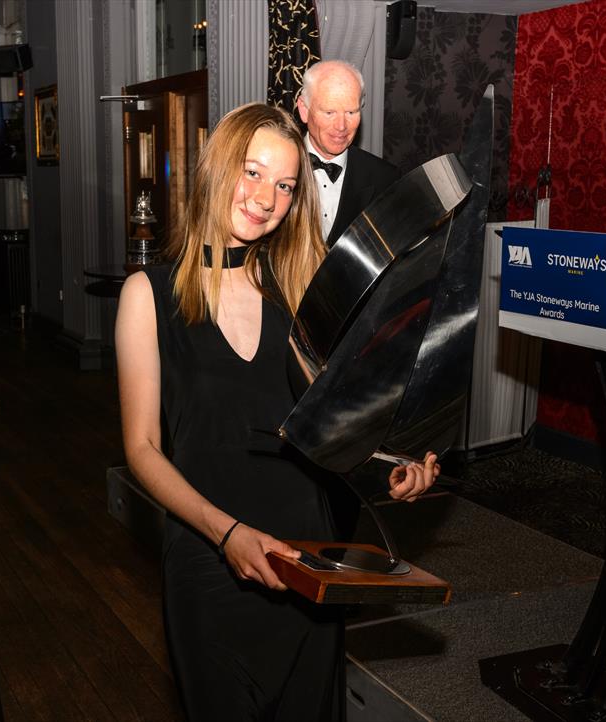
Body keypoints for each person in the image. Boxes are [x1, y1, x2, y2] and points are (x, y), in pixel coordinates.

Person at [115, 103, 438, 721]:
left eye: (286, 185)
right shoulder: (148, 295)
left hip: (304, 555)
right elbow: (141, 450)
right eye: (252, 171)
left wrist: (394, 466)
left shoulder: (299, 292)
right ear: (217, 169)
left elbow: (337, 421)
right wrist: (226, 533)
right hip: (208, 557)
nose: (266, 197)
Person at [297, 59, 401, 247]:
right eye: (329, 112)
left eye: (351, 112)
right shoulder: (274, 170)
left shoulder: (386, 179)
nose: (341, 126)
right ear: (304, 110)